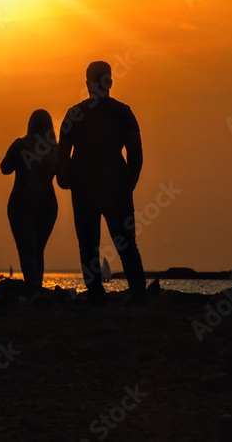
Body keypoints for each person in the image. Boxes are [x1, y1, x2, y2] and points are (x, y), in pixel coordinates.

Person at [58, 61, 147, 305]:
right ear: (109, 81)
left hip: (85, 188)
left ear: (87, 83)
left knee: (88, 245)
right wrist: (130, 182)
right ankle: (139, 294)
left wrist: (66, 179)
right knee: (126, 243)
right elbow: (136, 152)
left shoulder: (75, 114)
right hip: (115, 184)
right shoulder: (123, 112)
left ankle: (97, 295)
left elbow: (63, 153)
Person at [0, 109, 59, 294]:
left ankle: (34, 289)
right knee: (38, 251)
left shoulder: (21, 145)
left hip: (22, 203)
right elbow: (65, 183)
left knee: (28, 250)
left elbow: (4, 168)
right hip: (47, 205)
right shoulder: (56, 151)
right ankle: (36, 289)